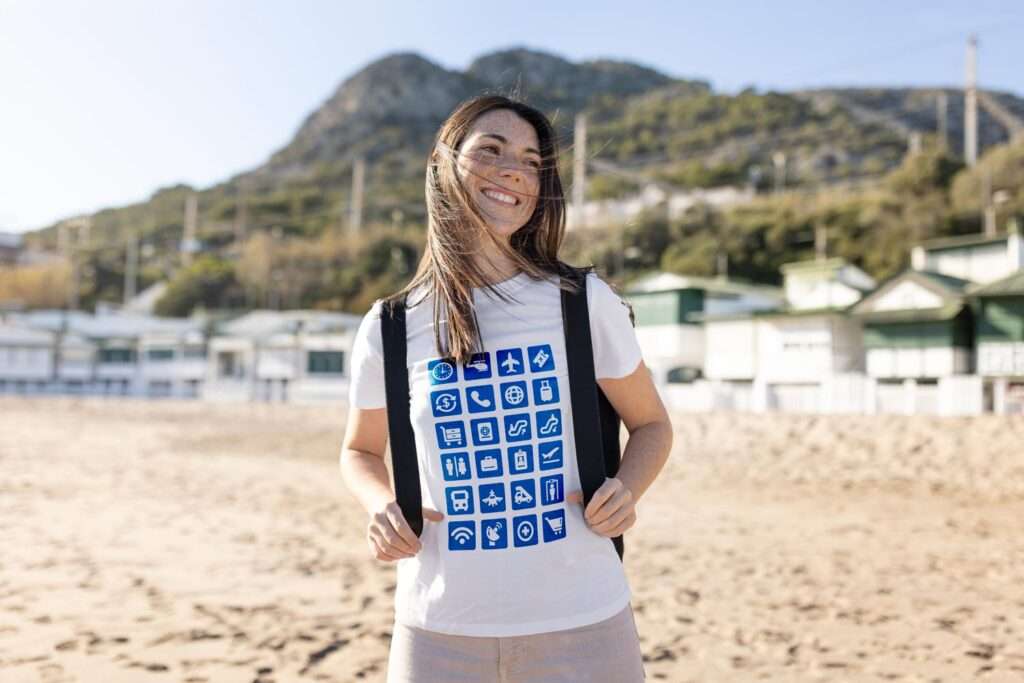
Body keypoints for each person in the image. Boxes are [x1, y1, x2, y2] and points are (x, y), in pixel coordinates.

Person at [339, 94, 673, 683]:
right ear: (444, 162)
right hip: (437, 627)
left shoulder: (582, 303)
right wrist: (381, 507)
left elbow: (651, 425)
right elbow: (360, 451)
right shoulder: (391, 326)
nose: (513, 170)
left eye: (530, 160)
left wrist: (628, 488)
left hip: (584, 620)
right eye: (490, 150)